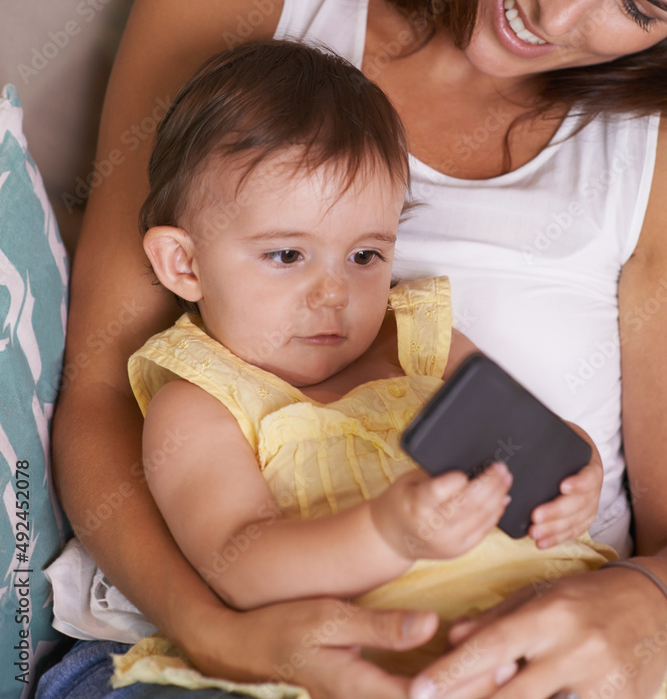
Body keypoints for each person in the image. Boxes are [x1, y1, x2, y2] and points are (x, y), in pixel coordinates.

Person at [45, 0, 667, 699]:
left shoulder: (645, 151)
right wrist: (220, 636)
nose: (559, 13)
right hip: (244, 652)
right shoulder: (229, 11)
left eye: (640, 8)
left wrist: (640, 602)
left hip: (527, 648)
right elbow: (94, 404)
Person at [106, 41, 608, 688]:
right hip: (394, 663)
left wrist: (578, 474)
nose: (333, 294)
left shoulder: (420, 340)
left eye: (364, 256)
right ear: (185, 264)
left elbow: (535, 437)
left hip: (559, 630)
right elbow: (239, 561)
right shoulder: (200, 402)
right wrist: (385, 536)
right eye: (287, 256)